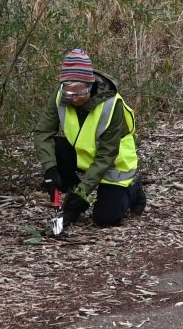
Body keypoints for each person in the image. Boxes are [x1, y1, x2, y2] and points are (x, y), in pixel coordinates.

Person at [35, 48, 141, 231]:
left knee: (105, 218)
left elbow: (107, 155)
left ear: (90, 85)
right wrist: (50, 171)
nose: (74, 98)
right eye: (69, 93)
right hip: (85, 157)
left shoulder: (111, 104)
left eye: (81, 92)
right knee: (55, 148)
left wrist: (82, 191)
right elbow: (42, 132)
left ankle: (134, 190)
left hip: (114, 164)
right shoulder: (60, 94)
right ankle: (76, 203)